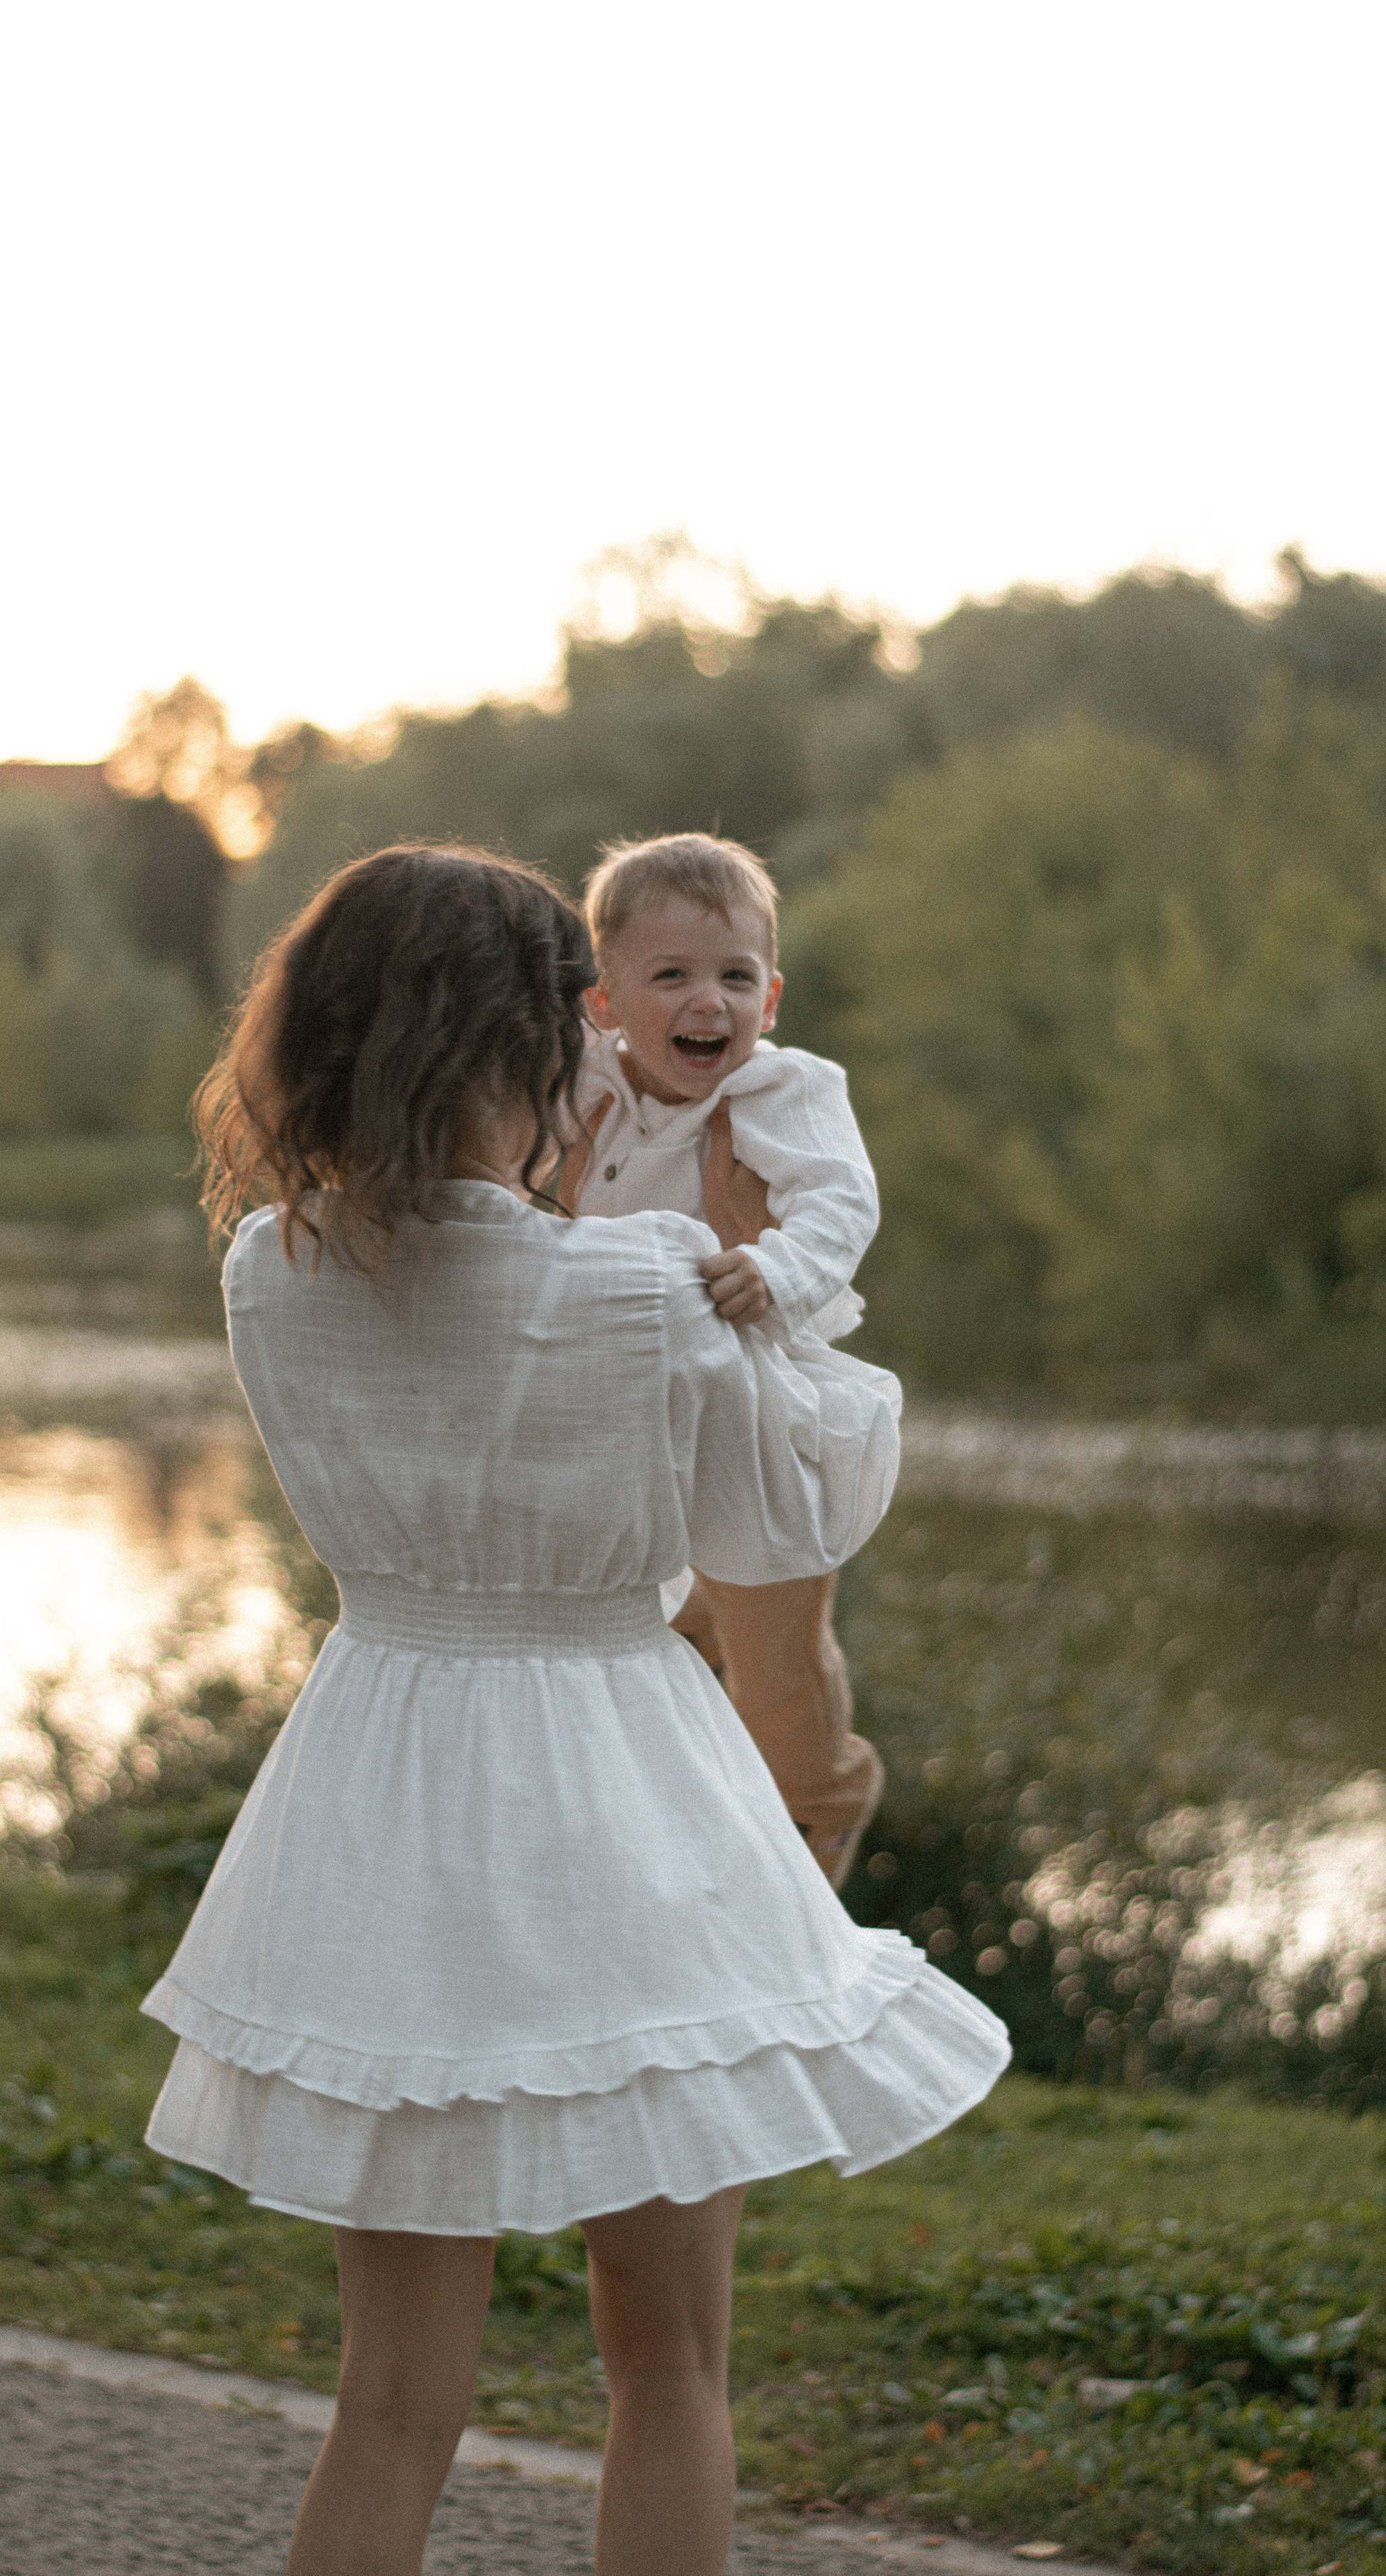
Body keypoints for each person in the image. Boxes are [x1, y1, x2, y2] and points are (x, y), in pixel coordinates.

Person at [140, 845, 1008, 2576]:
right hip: (625, 1800)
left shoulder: (268, 1271)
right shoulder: (644, 1282)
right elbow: (783, 1521)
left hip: (379, 1793)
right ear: (537, 1046)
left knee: (391, 2400)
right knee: (667, 2371)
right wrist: (760, 1288)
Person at [560, 832, 889, 1888]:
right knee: (647, 1625)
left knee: (774, 1649)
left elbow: (840, 1202)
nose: (710, 1002)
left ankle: (819, 1806)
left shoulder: (779, 1091)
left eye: (737, 978)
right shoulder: (579, 1082)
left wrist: (777, 1268)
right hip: (624, 1414)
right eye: (672, 976)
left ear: (772, 998)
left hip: (756, 1413)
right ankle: (662, 1843)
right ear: (604, 1001)